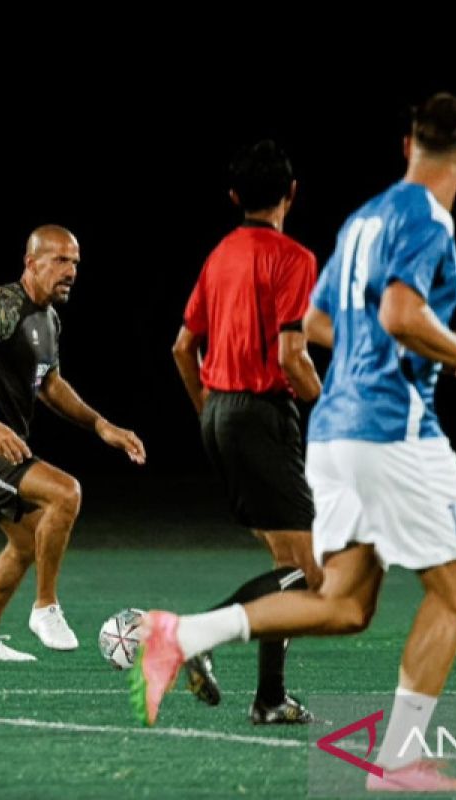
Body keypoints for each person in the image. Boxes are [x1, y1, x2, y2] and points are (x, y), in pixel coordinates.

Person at [131, 93, 456, 792]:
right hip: (392, 429)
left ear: (406, 147)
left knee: (343, 602)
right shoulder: (429, 221)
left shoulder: (365, 220)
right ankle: (397, 761)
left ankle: (184, 636)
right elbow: (398, 312)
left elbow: (320, 323)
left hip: (332, 430)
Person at [0, 224, 146, 662]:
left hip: (3, 449)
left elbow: (49, 384)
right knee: (66, 493)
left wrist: (101, 425)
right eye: (60, 260)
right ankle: (45, 607)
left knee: (27, 545)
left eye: (76, 263)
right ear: (31, 262)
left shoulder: (49, 319)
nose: (71, 271)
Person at [171, 139, 324, 724]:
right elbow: (292, 358)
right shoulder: (294, 258)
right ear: (291, 193)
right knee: (315, 573)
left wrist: (211, 410)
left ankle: (270, 699)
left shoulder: (221, 255)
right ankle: (197, 636)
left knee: (289, 567)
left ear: (235, 197)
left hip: (223, 415)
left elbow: (183, 348)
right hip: (261, 416)